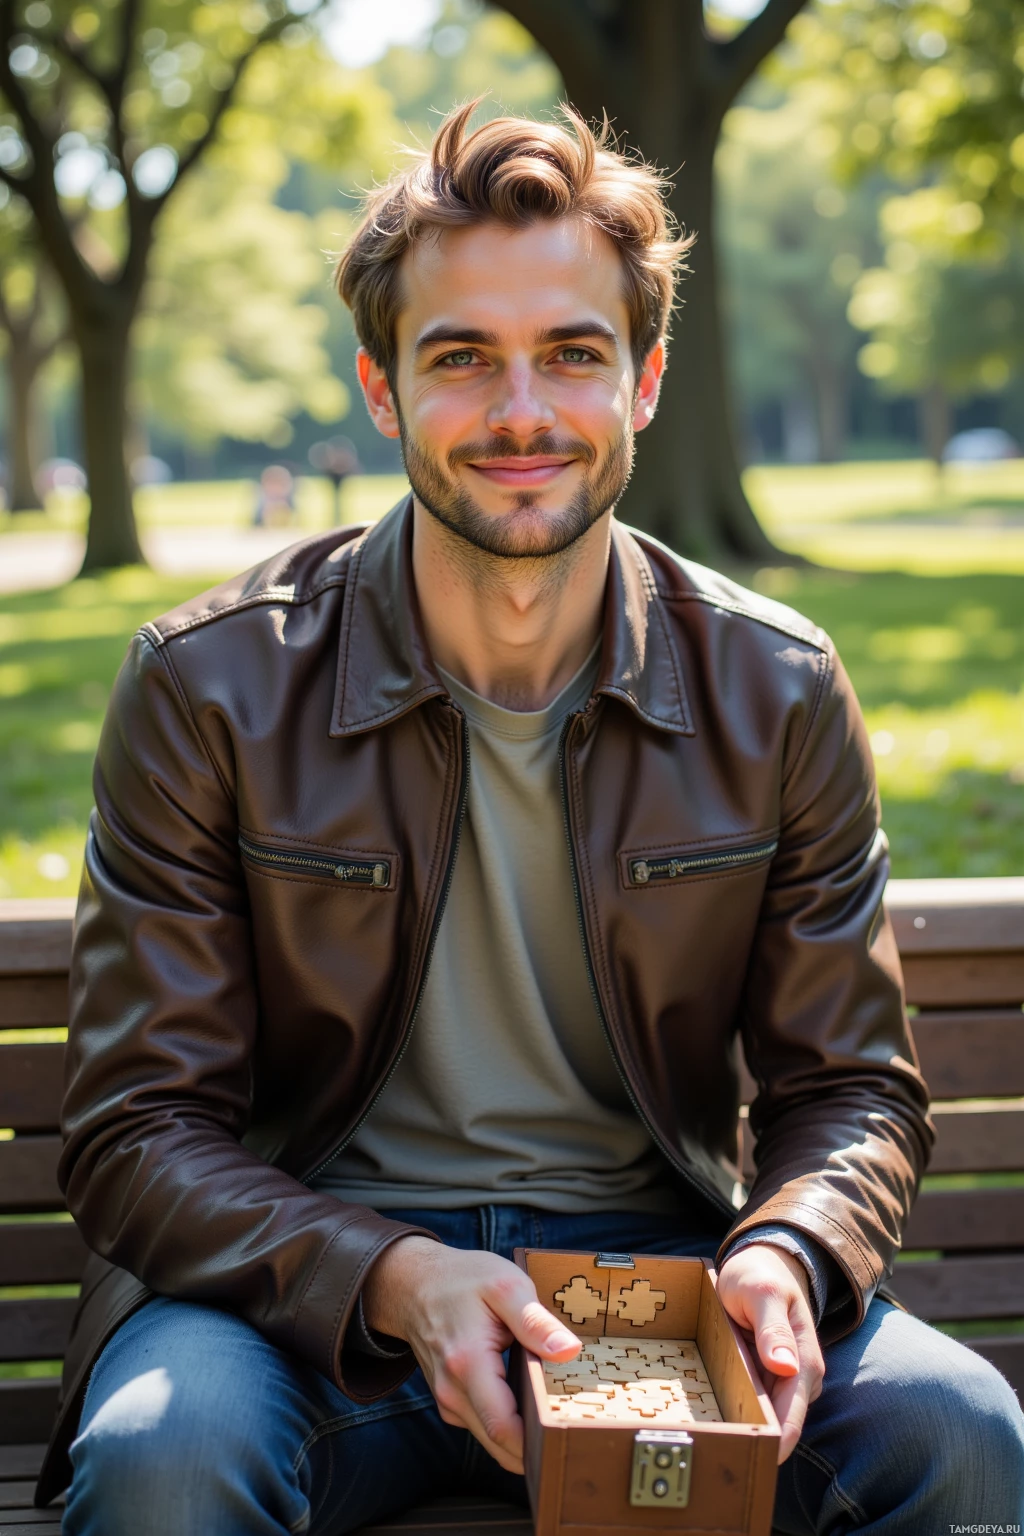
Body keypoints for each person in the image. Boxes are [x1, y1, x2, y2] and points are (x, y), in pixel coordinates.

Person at [39, 105, 1023, 1533]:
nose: (520, 413)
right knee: (163, 1463)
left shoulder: (777, 684)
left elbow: (850, 1091)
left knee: (960, 1432)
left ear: (645, 381)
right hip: (301, 1301)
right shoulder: (210, 687)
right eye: (461, 359)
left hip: (659, 1282)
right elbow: (138, 1129)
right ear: (380, 390)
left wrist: (789, 1256)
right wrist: (391, 1276)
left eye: (573, 352)